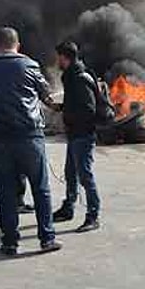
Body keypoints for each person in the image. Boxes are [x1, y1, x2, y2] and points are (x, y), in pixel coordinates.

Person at [0, 27, 62, 256]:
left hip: (0, 137)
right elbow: (45, 94)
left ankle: (10, 242)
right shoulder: (29, 65)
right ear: (18, 45)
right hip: (29, 135)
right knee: (40, 188)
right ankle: (47, 239)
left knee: (5, 191)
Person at [51, 41, 101, 233]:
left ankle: (93, 216)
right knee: (70, 174)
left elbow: (88, 109)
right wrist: (62, 108)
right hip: (74, 134)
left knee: (85, 176)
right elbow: (75, 103)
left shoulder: (79, 78)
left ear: (66, 58)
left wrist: (71, 117)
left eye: (59, 57)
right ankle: (68, 208)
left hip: (83, 135)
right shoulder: (71, 76)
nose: (57, 61)